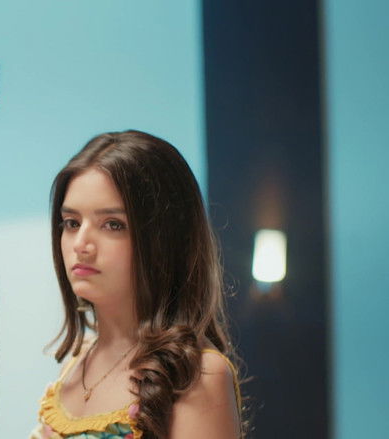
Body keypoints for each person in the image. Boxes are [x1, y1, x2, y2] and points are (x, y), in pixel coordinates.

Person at [31, 130, 243, 439]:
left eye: (113, 225)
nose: (81, 244)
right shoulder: (76, 364)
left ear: (164, 240)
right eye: (72, 223)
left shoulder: (197, 375)